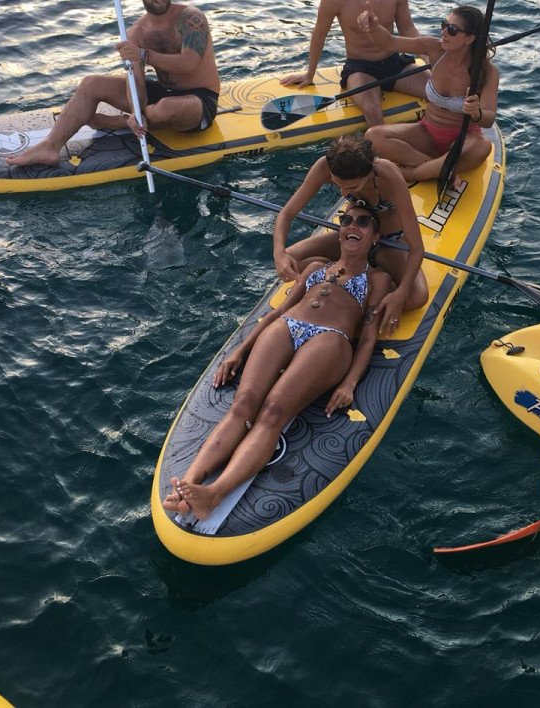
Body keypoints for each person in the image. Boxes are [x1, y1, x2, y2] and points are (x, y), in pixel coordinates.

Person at [164, 203, 393, 520]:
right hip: (288, 326)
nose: (353, 225)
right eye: (347, 219)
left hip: (331, 339)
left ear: (375, 236)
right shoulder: (315, 267)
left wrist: (349, 383)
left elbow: (368, 337)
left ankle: (213, 495)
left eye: (363, 222)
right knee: (243, 404)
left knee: (273, 411)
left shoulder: (378, 280)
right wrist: (239, 350)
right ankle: (187, 488)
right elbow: (278, 311)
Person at [8, 0, 221, 168]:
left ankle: (118, 122)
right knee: (91, 83)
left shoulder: (191, 18)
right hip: (164, 91)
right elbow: (136, 83)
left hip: (200, 100)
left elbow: (190, 64)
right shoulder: (136, 33)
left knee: (164, 109)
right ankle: (50, 146)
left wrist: (143, 55)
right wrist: (136, 108)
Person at [273, 135, 428, 334]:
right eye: (339, 185)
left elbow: (417, 248)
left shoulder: (390, 175)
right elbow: (286, 213)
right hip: (350, 238)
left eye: (352, 187)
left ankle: (356, 286)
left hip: (389, 243)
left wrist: (400, 293)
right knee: (290, 257)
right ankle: (331, 270)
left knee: (416, 297)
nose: (344, 190)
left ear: (370, 169)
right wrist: (279, 253)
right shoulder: (324, 166)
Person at [280, 0, 428, 128]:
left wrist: (427, 57)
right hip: (360, 69)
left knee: (440, 92)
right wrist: (310, 74)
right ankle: (381, 155)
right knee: (373, 111)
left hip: (395, 64)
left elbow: (407, 28)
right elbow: (319, 35)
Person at [359, 4, 498, 184]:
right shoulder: (434, 48)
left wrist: (476, 112)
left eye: (452, 29)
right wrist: (374, 27)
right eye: (443, 24)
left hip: (461, 142)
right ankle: (438, 168)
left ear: (469, 38)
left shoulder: (487, 71)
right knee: (373, 136)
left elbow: (488, 119)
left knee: (483, 146)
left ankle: (412, 174)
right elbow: (389, 42)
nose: (444, 32)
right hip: (426, 133)